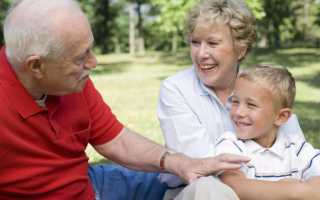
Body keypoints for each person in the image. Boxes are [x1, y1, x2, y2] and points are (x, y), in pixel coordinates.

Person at [0, 0, 250, 199]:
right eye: (80, 57)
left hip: (90, 183)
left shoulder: (74, 82)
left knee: (189, 184)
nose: (93, 63)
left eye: (90, 48)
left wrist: (179, 162)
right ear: (36, 66)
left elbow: (116, 140)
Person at [158, 0, 305, 199]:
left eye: (212, 43)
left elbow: (297, 151)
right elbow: (205, 167)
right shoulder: (176, 88)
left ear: (241, 49)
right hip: (197, 191)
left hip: (269, 188)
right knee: (208, 188)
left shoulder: (263, 88)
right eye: (195, 42)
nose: (201, 54)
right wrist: (293, 190)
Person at [215, 65, 320, 199]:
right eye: (235, 102)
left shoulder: (297, 148)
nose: (238, 112)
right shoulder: (231, 145)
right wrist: (292, 190)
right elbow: (235, 187)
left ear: (281, 117)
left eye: (251, 105)